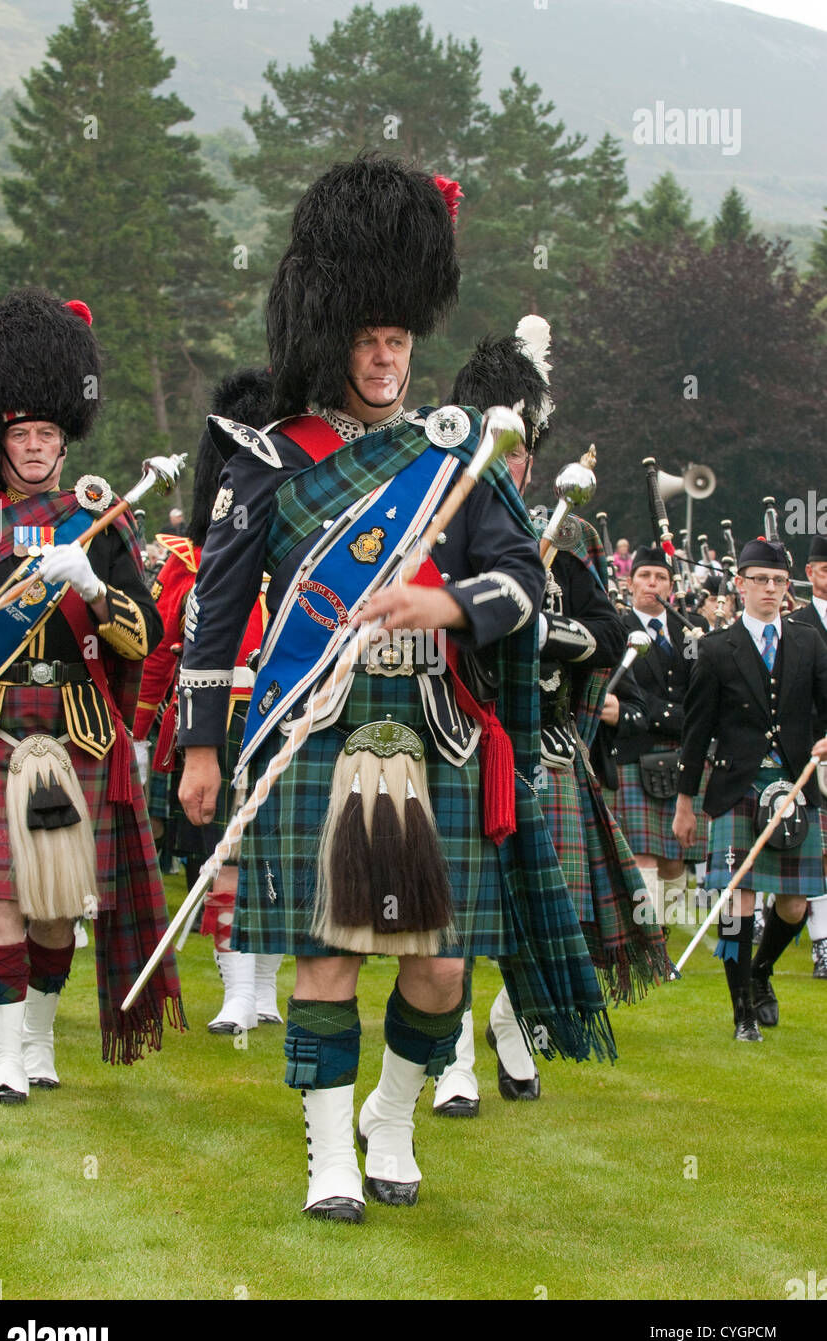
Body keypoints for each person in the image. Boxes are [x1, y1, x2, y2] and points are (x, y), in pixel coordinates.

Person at [178, 155, 614, 1223]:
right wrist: (198, 746)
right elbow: (217, 614)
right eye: (368, 340)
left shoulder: (454, 459)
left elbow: (521, 582)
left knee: (440, 973)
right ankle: (330, 1159)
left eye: (399, 341)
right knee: (325, 960)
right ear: (334, 342)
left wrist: (449, 607)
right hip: (314, 727)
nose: (385, 359)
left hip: (434, 734)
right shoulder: (267, 461)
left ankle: (392, 1117)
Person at [431, 322, 667, 1118]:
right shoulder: (440, 526)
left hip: (552, 750)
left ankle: (513, 1023)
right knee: (458, 914)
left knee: (551, 907)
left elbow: (607, 631)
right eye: (506, 442)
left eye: (526, 447)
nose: (517, 460)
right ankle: (454, 1061)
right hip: (462, 737)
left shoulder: (568, 537)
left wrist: (554, 633)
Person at [0, 288, 182, 1102]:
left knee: (56, 909)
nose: (37, 446)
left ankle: (41, 1039)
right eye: (22, 433)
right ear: (0, 438)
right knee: (2, 900)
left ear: (66, 435)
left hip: (75, 730)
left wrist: (90, 581)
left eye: (49, 432)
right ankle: (4, 1059)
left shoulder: (100, 520)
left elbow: (144, 640)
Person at [134, 368, 283, 1032]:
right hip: (223, 711)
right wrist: (145, 732)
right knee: (224, 855)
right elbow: (169, 651)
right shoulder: (190, 563)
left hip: (286, 706)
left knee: (282, 859)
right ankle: (234, 994)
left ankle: (267, 993)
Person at [673, 538, 827, 1039]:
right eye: (760, 580)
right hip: (737, 786)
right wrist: (685, 805)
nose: (770, 589)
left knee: (795, 904)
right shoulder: (717, 649)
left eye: (779, 581)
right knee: (738, 900)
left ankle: (760, 971)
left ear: (788, 587)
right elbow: (695, 733)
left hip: (796, 785)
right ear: (740, 585)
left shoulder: (809, 641)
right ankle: (742, 1012)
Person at [604, 546, 708, 929]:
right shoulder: (616, 629)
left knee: (674, 855)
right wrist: (674, 717)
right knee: (642, 851)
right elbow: (627, 691)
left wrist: (680, 721)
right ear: (630, 584)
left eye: (660, 577)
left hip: (684, 751)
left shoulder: (691, 631)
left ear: (671, 585)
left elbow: (702, 687)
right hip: (633, 749)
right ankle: (647, 931)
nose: (653, 584)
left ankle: (663, 921)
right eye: (645, 576)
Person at [788, 535, 827, 979]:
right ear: (811, 573)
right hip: (808, 749)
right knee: (817, 855)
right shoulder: (795, 625)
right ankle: (821, 944)